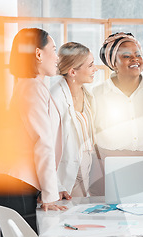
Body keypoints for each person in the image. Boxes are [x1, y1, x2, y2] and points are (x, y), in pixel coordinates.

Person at [0, 28, 66, 237]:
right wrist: (50, 195)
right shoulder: (32, 88)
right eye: (54, 49)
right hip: (15, 181)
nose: (56, 56)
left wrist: (50, 190)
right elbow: (43, 144)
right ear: (38, 53)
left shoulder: (30, 85)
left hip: (17, 181)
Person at [91, 32, 143, 195]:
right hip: (108, 168)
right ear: (113, 64)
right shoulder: (97, 94)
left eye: (138, 54)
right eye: (126, 56)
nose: (135, 59)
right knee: (109, 218)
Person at [51, 42, 99, 198]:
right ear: (72, 72)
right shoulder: (55, 99)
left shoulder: (88, 94)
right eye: (90, 65)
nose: (95, 69)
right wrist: (56, 185)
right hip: (67, 173)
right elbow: (47, 148)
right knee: (74, 218)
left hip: (87, 167)